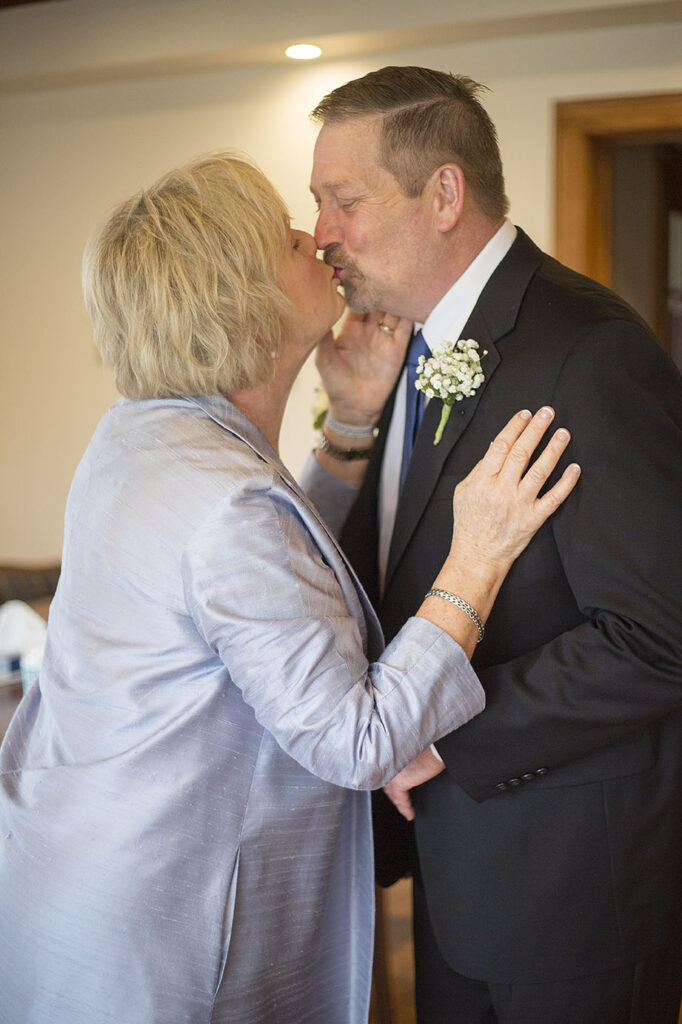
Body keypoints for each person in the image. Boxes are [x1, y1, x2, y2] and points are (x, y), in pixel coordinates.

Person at [0, 154, 577, 1024]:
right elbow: (357, 738)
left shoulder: (140, 438)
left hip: (78, 880)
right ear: (241, 300)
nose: (314, 237)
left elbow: (262, 580)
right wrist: (478, 556)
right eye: (283, 235)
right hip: (172, 938)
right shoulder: (221, 498)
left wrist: (347, 425)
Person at [306, 66, 682, 1024]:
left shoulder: (589, 350)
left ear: (444, 193)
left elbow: (660, 637)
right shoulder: (403, 349)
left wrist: (440, 733)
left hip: (567, 893)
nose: (323, 235)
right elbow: (389, 572)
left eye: (345, 200)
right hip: (451, 868)